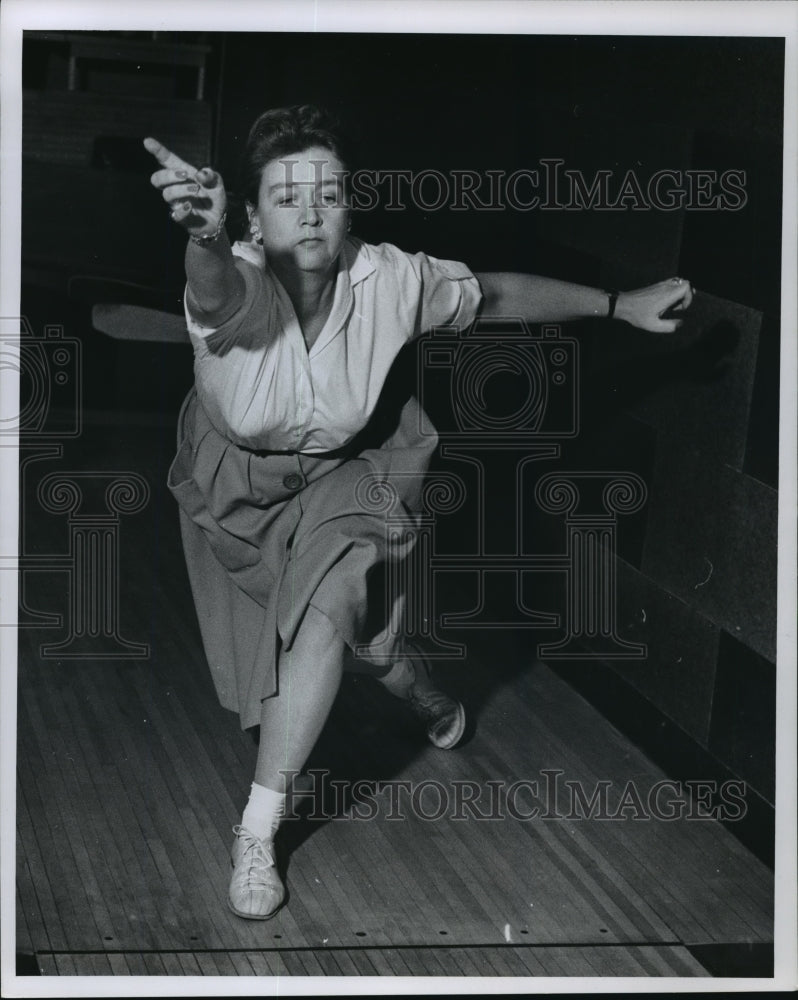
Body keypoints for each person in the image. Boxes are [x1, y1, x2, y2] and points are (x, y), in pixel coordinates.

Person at [144, 104, 693, 922]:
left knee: (326, 615)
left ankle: (257, 831)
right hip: (236, 487)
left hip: (351, 469)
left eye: (329, 192)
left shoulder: (393, 277)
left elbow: (498, 293)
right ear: (251, 216)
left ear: (351, 205)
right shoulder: (237, 281)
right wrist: (204, 237)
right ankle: (427, 697)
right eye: (287, 196)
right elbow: (213, 286)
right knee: (380, 655)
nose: (313, 211)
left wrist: (618, 304)